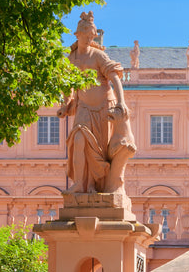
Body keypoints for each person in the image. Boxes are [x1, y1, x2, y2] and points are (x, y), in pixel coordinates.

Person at [58, 12, 136, 195]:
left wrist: (121, 102)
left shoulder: (98, 55)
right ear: (78, 35)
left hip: (103, 108)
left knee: (98, 152)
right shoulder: (71, 59)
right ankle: (79, 184)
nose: (89, 39)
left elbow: (114, 78)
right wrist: (65, 104)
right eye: (86, 36)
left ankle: (94, 185)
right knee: (78, 140)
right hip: (83, 107)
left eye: (91, 37)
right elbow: (67, 85)